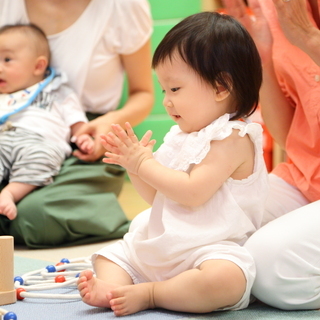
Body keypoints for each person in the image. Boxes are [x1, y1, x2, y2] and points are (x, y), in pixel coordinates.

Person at [77, 11, 269, 316]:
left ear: (221, 87)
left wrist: (144, 164)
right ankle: (115, 289)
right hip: (163, 243)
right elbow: (159, 196)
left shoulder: (232, 138)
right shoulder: (182, 135)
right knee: (112, 255)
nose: (166, 100)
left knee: (227, 279)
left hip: (208, 250)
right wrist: (133, 166)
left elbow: (192, 192)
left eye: (175, 89)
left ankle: (153, 293)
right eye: (164, 90)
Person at [0, 0, 154, 248]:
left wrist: (109, 123)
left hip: (88, 136)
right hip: (11, 124)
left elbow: (144, 95)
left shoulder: (123, 6)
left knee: (35, 216)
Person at [223, 0, 320, 310]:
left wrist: (309, 39)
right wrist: (262, 60)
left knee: (269, 267)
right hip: (304, 179)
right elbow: (287, 132)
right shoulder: (276, 9)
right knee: (192, 220)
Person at [0, 24, 94, 221]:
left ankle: (10, 193)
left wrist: (83, 137)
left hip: (42, 142)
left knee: (42, 158)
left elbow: (77, 123)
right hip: (3, 139)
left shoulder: (58, 91)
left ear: (38, 66)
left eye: (7, 60)